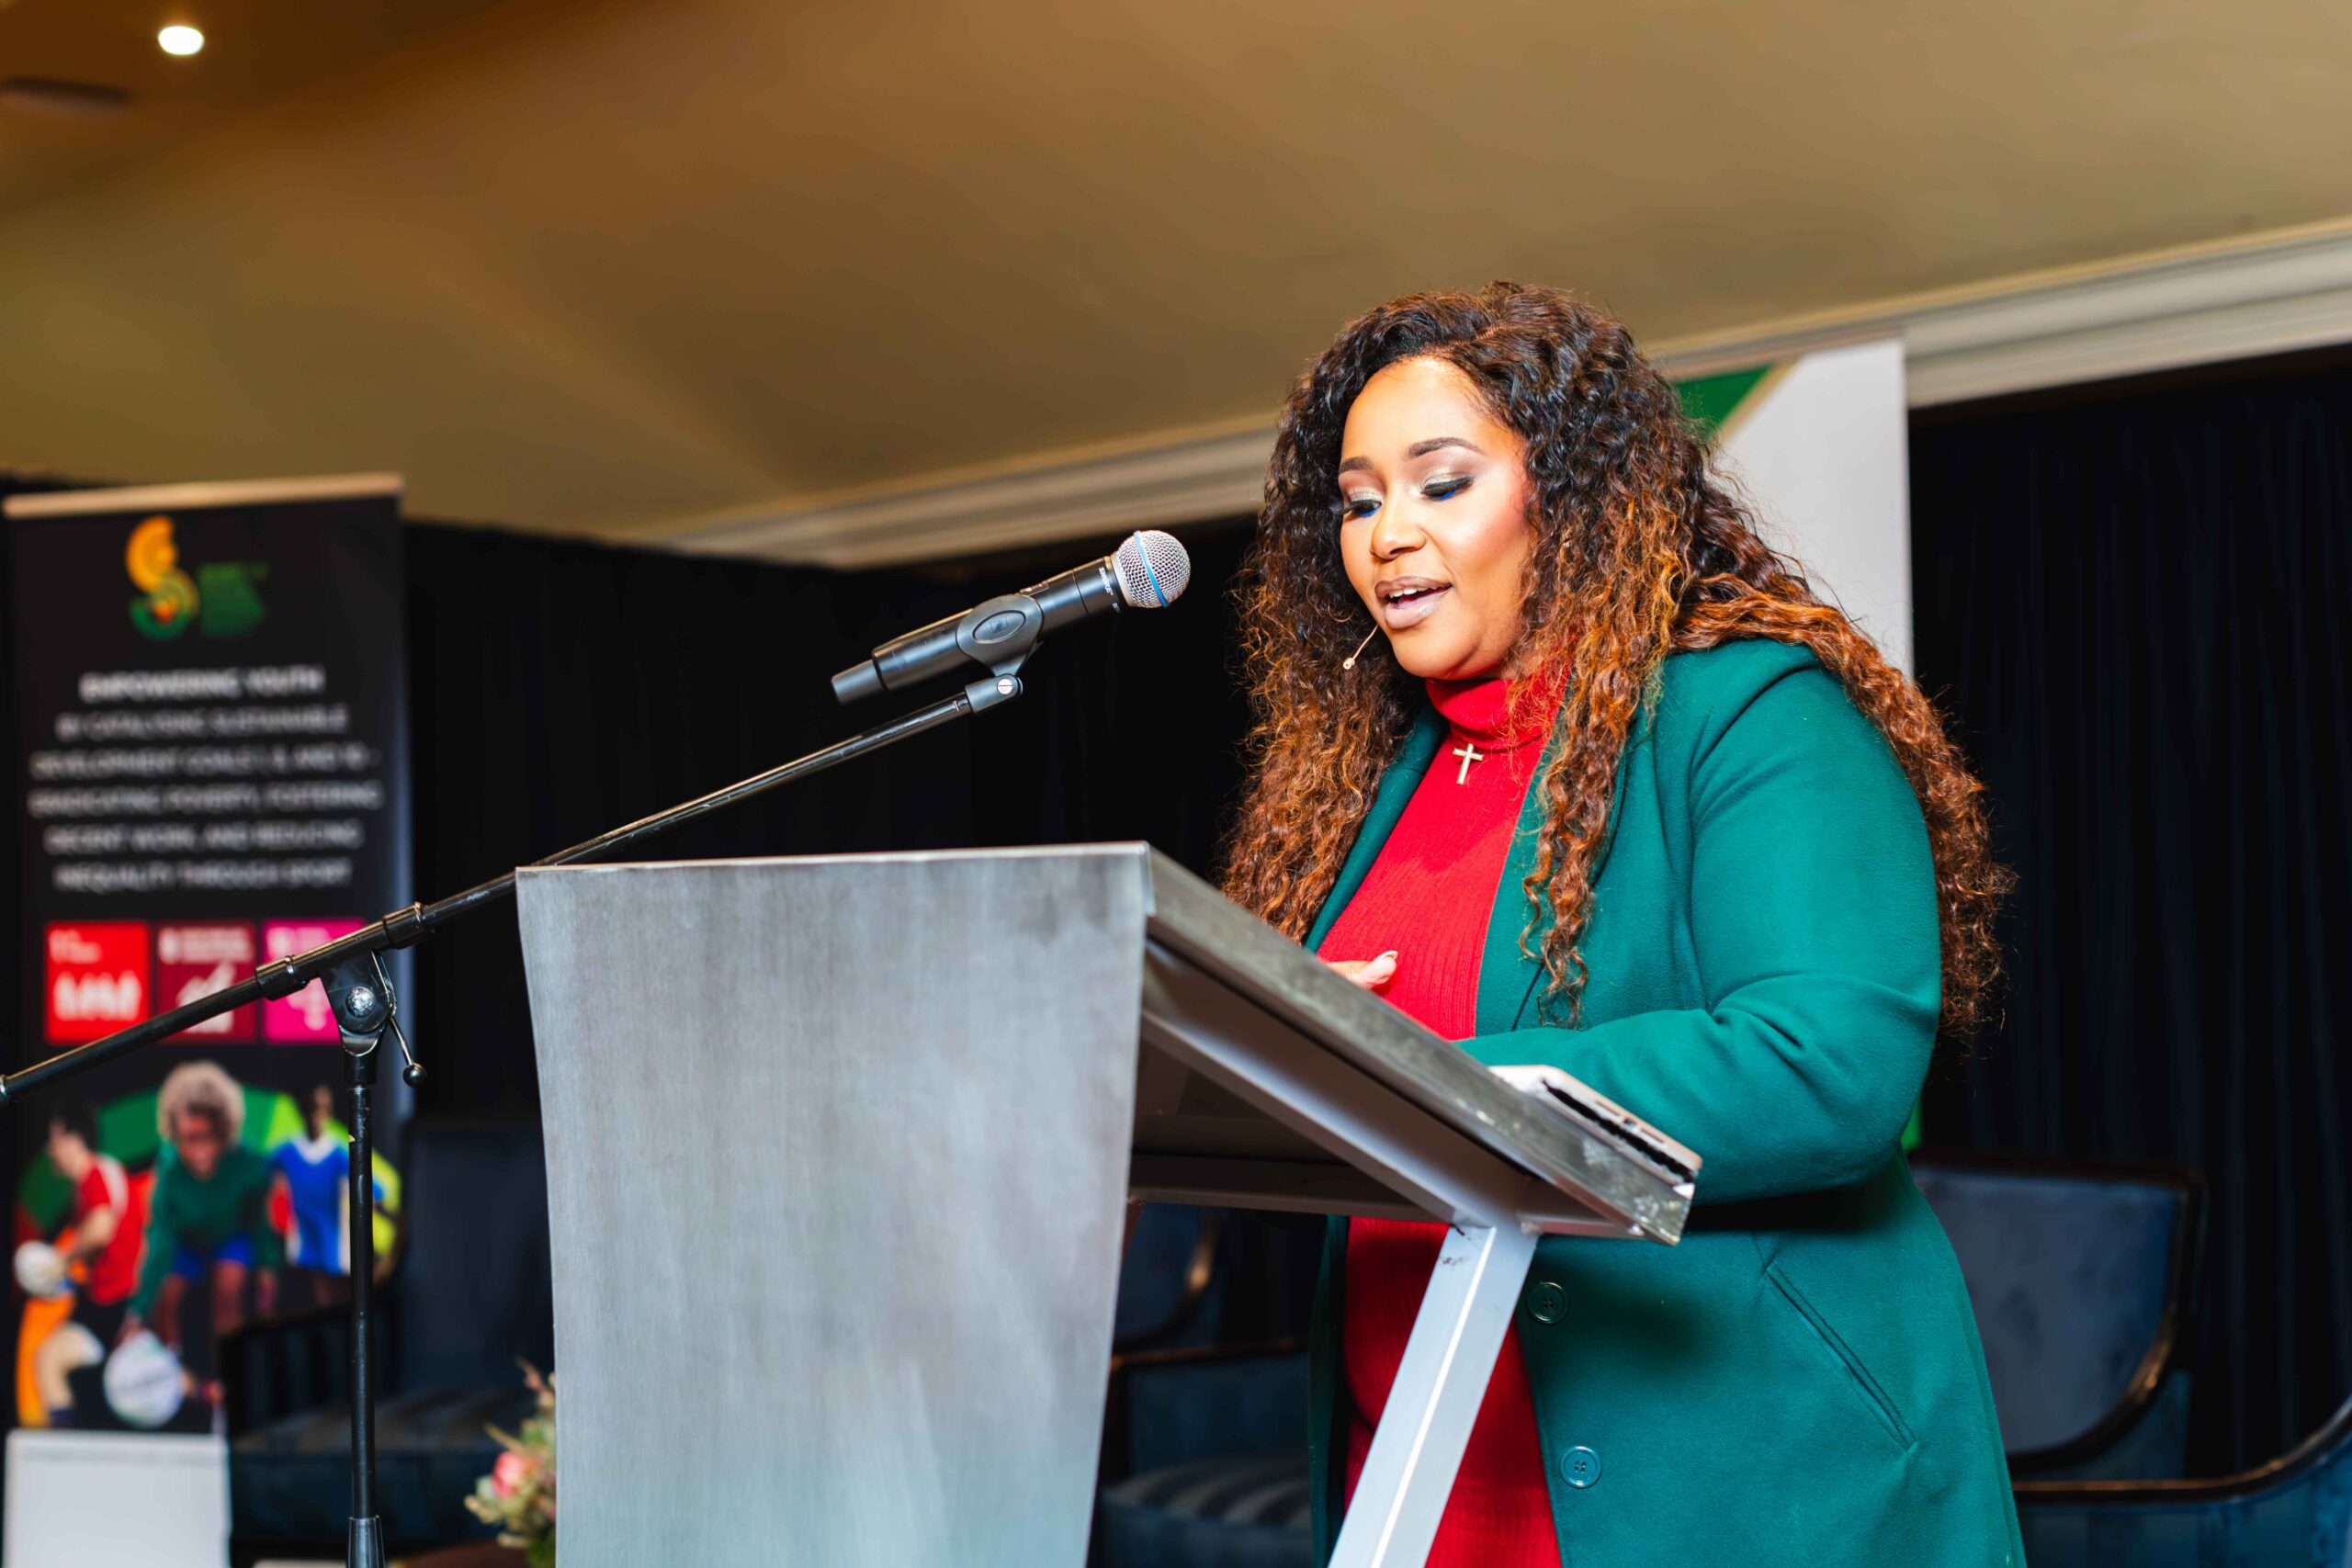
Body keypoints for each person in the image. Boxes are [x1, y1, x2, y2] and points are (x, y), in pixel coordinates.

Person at [1221, 283, 2021, 1567]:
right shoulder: (1373, 778)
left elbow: (1828, 1064)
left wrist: (1415, 1079)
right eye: (1358, 502)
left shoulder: (1749, 710)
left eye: (1441, 483)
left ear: (1574, 496)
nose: (1387, 537)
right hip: (1419, 1474)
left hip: (1726, 1486)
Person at [122, 1062, 279, 1356]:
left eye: (207, 1137)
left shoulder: (247, 1164)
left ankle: (229, 1373)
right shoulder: (169, 1169)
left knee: (228, 1291)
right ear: (174, 1134)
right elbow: (161, 1239)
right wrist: (137, 1311)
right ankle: (171, 1370)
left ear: (223, 1132)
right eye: (188, 1139)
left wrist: (267, 1269)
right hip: (185, 1242)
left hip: (230, 1236)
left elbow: (259, 1222)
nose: (199, 1151)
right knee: (164, 1299)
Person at [42, 1100, 142, 1347]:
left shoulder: (96, 1175)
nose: (50, 1151)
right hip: (106, 1297)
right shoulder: (88, 1182)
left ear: (74, 1140)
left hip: (122, 1301)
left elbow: (100, 1229)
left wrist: (58, 1261)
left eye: (54, 1140)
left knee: (50, 1358)